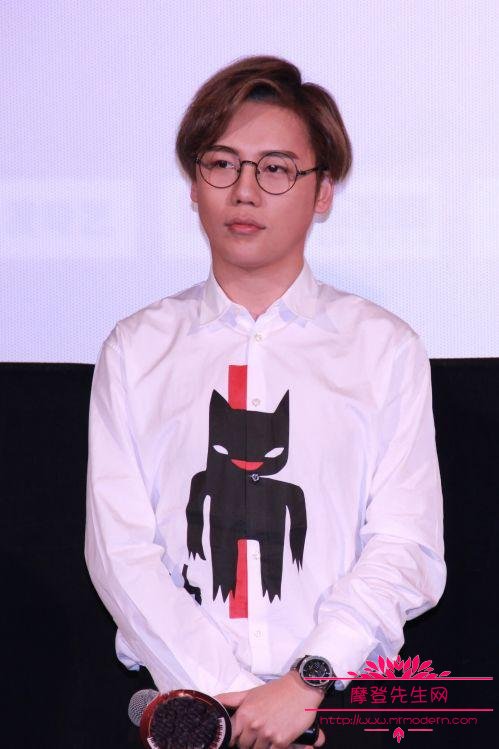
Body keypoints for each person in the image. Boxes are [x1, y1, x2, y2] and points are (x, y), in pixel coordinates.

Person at [85, 55, 446, 749]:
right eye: (222, 164)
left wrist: (304, 682)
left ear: (323, 192)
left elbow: (407, 545)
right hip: (179, 711)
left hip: (331, 710)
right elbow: (119, 549)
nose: (244, 191)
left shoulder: (383, 349)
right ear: (194, 186)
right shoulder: (136, 348)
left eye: (275, 169)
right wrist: (222, 698)